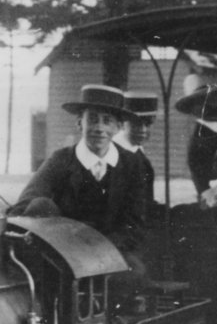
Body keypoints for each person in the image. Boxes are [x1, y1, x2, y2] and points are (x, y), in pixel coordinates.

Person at [9, 84, 146, 274]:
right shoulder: (61, 160)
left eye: (107, 121)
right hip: (65, 252)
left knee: (132, 275)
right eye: (92, 119)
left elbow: (135, 223)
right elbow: (25, 206)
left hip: (112, 249)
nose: (99, 128)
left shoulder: (131, 165)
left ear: (118, 127)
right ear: (79, 123)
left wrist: (99, 247)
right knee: (40, 205)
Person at [175, 80, 217, 195]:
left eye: (214, 99)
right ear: (194, 109)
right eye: (204, 102)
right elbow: (202, 183)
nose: (213, 105)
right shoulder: (198, 142)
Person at [115, 92, 160, 219]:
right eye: (136, 124)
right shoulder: (116, 155)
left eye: (148, 124)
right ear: (123, 123)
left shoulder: (136, 149)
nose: (143, 130)